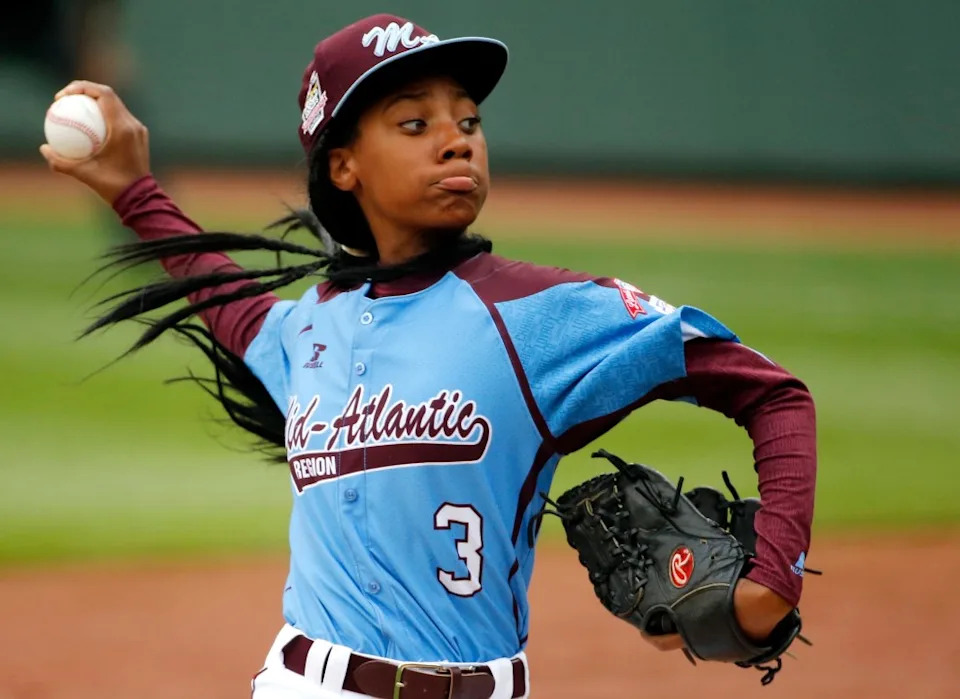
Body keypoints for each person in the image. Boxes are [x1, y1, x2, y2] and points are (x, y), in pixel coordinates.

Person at [39, 13, 817, 699]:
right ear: (344, 166)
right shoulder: (309, 329)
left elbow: (774, 395)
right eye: (414, 124)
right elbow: (229, 303)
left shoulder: (540, 316)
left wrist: (773, 575)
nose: (456, 139)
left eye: (470, 122)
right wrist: (132, 191)